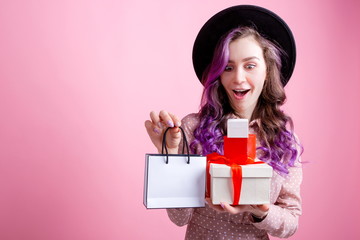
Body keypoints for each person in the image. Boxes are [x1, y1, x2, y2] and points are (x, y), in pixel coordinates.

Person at [144, 5, 303, 240]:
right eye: (228, 67)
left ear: (267, 71)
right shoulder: (193, 128)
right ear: (219, 74)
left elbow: (290, 224)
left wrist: (259, 211)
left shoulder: (283, 141)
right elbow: (179, 218)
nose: (238, 78)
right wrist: (169, 153)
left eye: (250, 65)